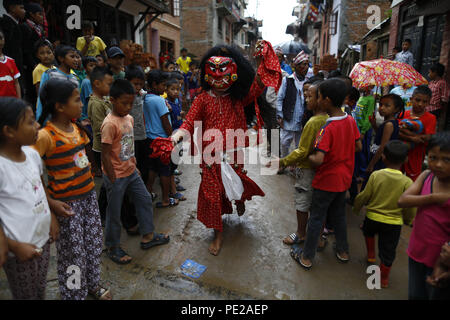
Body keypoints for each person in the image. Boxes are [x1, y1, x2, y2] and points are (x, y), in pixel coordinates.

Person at [171, 42, 278, 256]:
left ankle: (239, 200)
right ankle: (218, 234)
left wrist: (260, 61)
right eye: (214, 75)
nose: (219, 80)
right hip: (209, 156)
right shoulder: (202, 99)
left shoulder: (239, 97)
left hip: (233, 152)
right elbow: (189, 121)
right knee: (212, 194)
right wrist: (178, 135)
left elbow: (258, 84)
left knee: (235, 184)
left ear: (235, 73)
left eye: (224, 74)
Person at [33, 79, 111, 300]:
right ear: (59, 106)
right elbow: (32, 174)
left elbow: (83, 160)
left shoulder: (77, 128)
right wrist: (51, 204)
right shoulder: (45, 136)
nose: (81, 104)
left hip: (88, 198)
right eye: (77, 100)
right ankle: (74, 294)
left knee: (94, 245)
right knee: (72, 255)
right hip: (67, 205)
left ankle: (93, 285)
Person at [290, 79, 362, 269]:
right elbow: (358, 146)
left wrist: (308, 157)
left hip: (326, 181)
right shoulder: (350, 120)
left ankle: (306, 257)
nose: (317, 100)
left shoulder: (326, 128)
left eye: (319, 96)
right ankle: (343, 251)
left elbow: (319, 159)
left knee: (316, 219)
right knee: (339, 217)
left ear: (327, 101)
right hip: (344, 180)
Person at [101, 79, 170, 265]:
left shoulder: (129, 118)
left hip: (131, 171)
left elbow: (128, 146)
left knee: (145, 199)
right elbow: (105, 154)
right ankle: (112, 246)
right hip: (115, 176)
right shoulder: (109, 124)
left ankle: (148, 235)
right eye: (124, 103)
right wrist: (112, 177)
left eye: (131, 103)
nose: (128, 107)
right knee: (114, 212)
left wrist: (134, 165)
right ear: (112, 100)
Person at [0, 97, 57, 299]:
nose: (38, 125)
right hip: (20, 251)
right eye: (31, 121)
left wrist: (51, 215)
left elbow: (40, 186)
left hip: (42, 241)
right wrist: (13, 246)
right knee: (26, 294)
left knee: (39, 287)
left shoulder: (32, 155)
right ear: (9, 131)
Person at [267, 80, 328, 247]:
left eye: (310, 97)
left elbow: (302, 150)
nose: (306, 100)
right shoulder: (329, 119)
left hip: (307, 170)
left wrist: (283, 161)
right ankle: (320, 237)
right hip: (323, 170)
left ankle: (301, 233)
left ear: (322, 99)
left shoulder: (314, 122)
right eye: (305, 96)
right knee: (318, 206)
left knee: (302, 203)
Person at [353, 140, 416, 288]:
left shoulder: (376, 175)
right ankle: (383, 278)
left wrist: (356, 207)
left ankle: (370, 255)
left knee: (368, 233)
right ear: (406, 160)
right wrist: (408, 220)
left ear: (383, 157)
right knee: (388, 251)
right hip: (393, 223)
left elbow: (364, 195)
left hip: (372, 217)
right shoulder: (407, 182)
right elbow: (410, 206)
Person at [398, 132, 450, 299]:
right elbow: (403, 200)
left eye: (446, 160)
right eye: (433, 158)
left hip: (442, 260)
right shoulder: (427, 176)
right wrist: (434, 198)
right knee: (414, 294)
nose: (439, 164)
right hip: (417, 251)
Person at [143, 70, 178, 208]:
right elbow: (165, 121)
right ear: (154, 84)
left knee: (152, 169)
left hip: (149, 139)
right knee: (165, 170)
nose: (164, 88)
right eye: (163, 85)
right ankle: (165, 199)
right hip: (162, 140)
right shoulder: (158, 100)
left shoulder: (145, 98)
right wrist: (172, 137)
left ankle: (148, 192)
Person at [276, 51, 309, 169]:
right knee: (285, 142)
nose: (305, 67)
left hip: (302, 118)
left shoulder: (308, 82)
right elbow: (280, 98)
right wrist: (280, 115)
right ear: (296, 66)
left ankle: (295, 165)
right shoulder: (287, 80)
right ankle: (283, 163)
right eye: (303, 64)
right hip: (289, 117)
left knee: (299, 145)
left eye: (307, 64)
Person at [399, 85, 436, 181]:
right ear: (411, 99)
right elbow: (396, 132)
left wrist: (405, 132)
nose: (420, 104)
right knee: (397, 177)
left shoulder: (430, 118)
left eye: (424, 102)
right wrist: (413, 138)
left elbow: (427, 137)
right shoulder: (403, 114)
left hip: (416, 155)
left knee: (412, 180)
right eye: (418, 100)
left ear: (429, 102)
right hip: (399, 153)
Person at [36, 45, 80, 120]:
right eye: (72, 57)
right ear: (61, 58)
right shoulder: (49, 74)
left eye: (77, 57)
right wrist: (40, 118)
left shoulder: (75, 79)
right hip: (51, 119)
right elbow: (42, 98)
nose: (76, 60)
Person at [365, 94, 404, 175]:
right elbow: (381, 135)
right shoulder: (388, 122)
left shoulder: (389, 125)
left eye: (387, 106)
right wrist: (374, 125)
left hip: (380, 160)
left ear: (396, 109)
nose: (382, 108)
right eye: (381, 105)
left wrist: (371, 164)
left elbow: (382, 147)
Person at [125, 65, 149, 188]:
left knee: (143, 166)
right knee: (132, 166)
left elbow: (146, 94)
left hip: (142, 136)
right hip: (129, 137)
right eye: (135, 84)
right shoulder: (124, 98)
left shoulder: (141, 94)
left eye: (141, 84)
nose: (138, 87)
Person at [87, 67, 114, 172]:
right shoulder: (96, 104)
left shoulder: (105, 98)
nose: (111, 88)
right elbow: (100, 129)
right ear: (97, 84)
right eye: (109, 84)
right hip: (103, 148)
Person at [0, 0, 26, 97]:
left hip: (15, 66)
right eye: (21, 8)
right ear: (12, 8)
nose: (24, 11)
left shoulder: (16, 24)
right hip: (7, 66)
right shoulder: (6, 24)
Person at [21, 1, 45, 104]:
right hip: (31, 66)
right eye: (39, 14)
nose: (42, 17)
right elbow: (26, 49)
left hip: (40, 63)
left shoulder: (39, 28)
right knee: (32, 91)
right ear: (31, 14)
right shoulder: (25, 27)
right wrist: (33, 64)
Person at [354, 86, 376, 181]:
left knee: (363, 151)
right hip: (358, 127)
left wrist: (363, 131)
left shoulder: (371, 99)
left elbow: (369, 116)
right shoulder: (361, 97)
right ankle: (357, 170)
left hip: (365, 129)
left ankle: (363, 172)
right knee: (358, 151)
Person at [427, 63, 449, 131]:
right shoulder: (431, 83)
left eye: (429, 72)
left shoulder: (442, 83)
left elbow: (445, 99)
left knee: (430, 126)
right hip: (427, 108)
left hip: (435, 109)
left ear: (435, 73)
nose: (428, 74)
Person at [0, 29, 21, 98]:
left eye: (1, 38)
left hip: (12, 101)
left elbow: (16, 83)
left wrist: (19, 101)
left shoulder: (11, 61)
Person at [80, 56, 98, 123]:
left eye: (95, 65)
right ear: (85, 69)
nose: (94, 67)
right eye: (91, 65)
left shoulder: (94, 81)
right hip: (87, 117)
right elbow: (91, 101)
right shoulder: (86, 82)